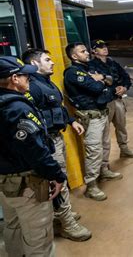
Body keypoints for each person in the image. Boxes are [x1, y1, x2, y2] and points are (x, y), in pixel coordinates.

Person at [21, 49, 92, 241]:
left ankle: (61, 214)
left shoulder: (47, 83)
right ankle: (67, 223)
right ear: (35, 64)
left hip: (56, 137)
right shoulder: (33, 87)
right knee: (58, 181)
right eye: (47, 60)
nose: (52, 63)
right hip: (47, 141)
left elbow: (57, 107)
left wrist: (71, 121)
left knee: (61, 179)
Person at [0, 56, 66, 256]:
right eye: (25, 75)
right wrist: (56, 175)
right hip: (26, 183)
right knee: (38, 238)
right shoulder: (16, 109)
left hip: (4, 180)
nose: (29, 78)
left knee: (13, 227)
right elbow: (34, 150)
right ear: (14, 78)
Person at [64, 42, 118, 201]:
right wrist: (101, 82)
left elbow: (110, 81)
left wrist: (100, 78)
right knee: (94, 151)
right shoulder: (73, 73)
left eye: (86, 50)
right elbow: (96, 88)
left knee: (106, 145)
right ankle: (92, 186)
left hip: (102, 113)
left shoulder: (89, 69)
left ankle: (104, 171)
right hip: (91, 117)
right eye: (82, 51)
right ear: (74, 56)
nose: (87, 53)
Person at [89, 39, 133, 162]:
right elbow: (96, 84)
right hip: (105, 103)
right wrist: (112, 87)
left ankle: (124, 149)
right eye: (101, 47)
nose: (105, 48)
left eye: (105, 46)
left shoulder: (113, 63)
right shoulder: (91, 66)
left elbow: (125, 77)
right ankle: (104, 162)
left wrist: (124, 88)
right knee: (105, 134)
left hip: (118, 99)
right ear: (94, 51)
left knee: (121, 126)